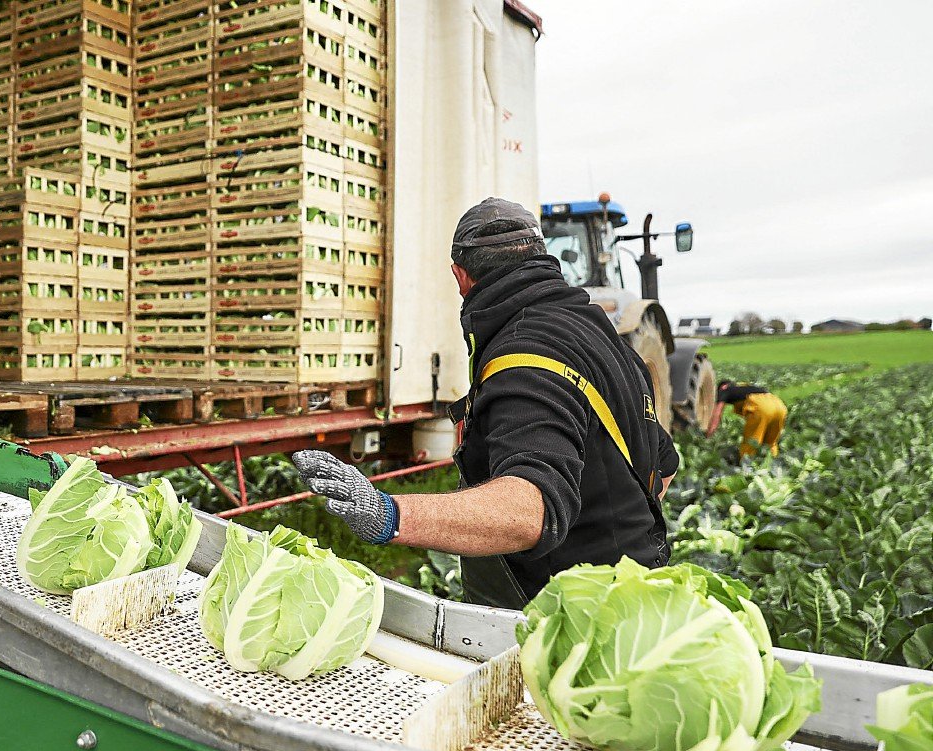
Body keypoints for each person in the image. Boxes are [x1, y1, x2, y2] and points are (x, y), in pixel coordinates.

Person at [293, 198, 680, 609]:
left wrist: (390, 513)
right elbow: (665, 466)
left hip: (575, 623)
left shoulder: (527, 357)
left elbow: (531, 510)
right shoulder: (601, 338)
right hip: (636, 597)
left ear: (460, 277)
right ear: (543, 257)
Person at [706, 380, 787, 458]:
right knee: (770, 444)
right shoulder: (744, 387)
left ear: (723, 386)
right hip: (780, 407)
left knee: (750, 445)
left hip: (761, 408)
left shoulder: (725, 389)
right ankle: (773, 464)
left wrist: (709, 437)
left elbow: (717, 415)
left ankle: (747, 469)